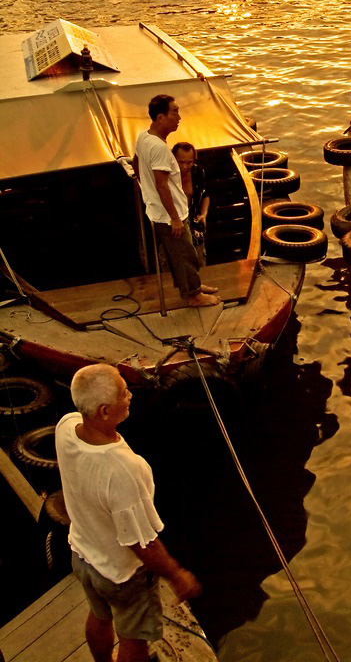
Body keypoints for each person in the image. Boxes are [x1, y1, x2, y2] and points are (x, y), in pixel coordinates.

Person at [55, 364, 201, 662]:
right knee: (133, 641)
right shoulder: (122, 470)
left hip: (82, 555)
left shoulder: (67, 426)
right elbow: (141, 543)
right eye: (124, 392)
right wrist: (176, 574)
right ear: (105, 411)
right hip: (121, 575)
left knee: (99, 616)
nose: (131, 395)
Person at [133, 94, 219, 308]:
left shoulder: (144, 137)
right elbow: (162, 185)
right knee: (184, 255)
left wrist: (146, 189)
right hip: (169, 214)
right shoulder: (160, 149)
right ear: (161, 117)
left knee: (182, 253)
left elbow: (135, 162)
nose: (179, 117)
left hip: (162, 209)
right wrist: (175, 218)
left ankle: (193, 286)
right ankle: (193, 295)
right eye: (175, 112)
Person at [172, 142, 210, 266]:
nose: (185, 166)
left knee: (199, 262)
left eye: (189, 162)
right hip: (175, 226)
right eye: (181, 162)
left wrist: (204, 214)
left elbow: (205, 195)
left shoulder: (198, 171)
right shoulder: (167, 175)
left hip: (195, 225)